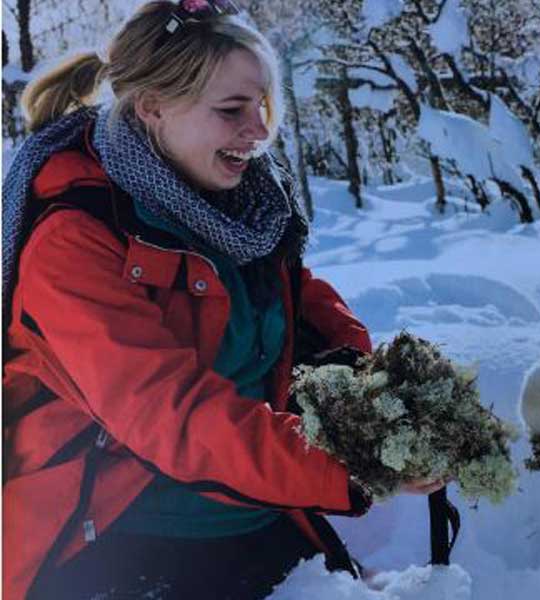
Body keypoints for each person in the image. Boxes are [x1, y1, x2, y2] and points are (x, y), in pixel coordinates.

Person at [1, 1, 443, 598]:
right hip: (114, 538)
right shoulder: (73, 240)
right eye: (232, 110)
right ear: (152, 107)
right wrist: (352, 462)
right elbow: (172, 416)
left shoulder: (240, 206)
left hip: (254, 509)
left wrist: (378, 396)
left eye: (261, 105)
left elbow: (297, 307)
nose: (258, 131)